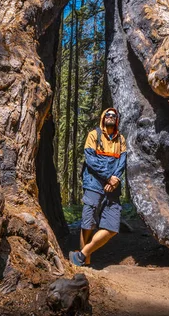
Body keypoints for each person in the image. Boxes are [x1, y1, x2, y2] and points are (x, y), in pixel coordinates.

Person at [69, 107, 126, 267]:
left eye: (113, 116)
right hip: (93, 184)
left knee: (112, 227)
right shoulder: (94, 135)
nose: (110, 117)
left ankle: (81, 255)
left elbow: (122, 162)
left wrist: (115, 179)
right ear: (103, 118)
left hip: (113, 189)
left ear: (117, 120)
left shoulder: (120, 140)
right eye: (108, 115)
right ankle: (85, 262)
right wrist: (109, 177)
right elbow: (91, 160)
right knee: (88, 223)